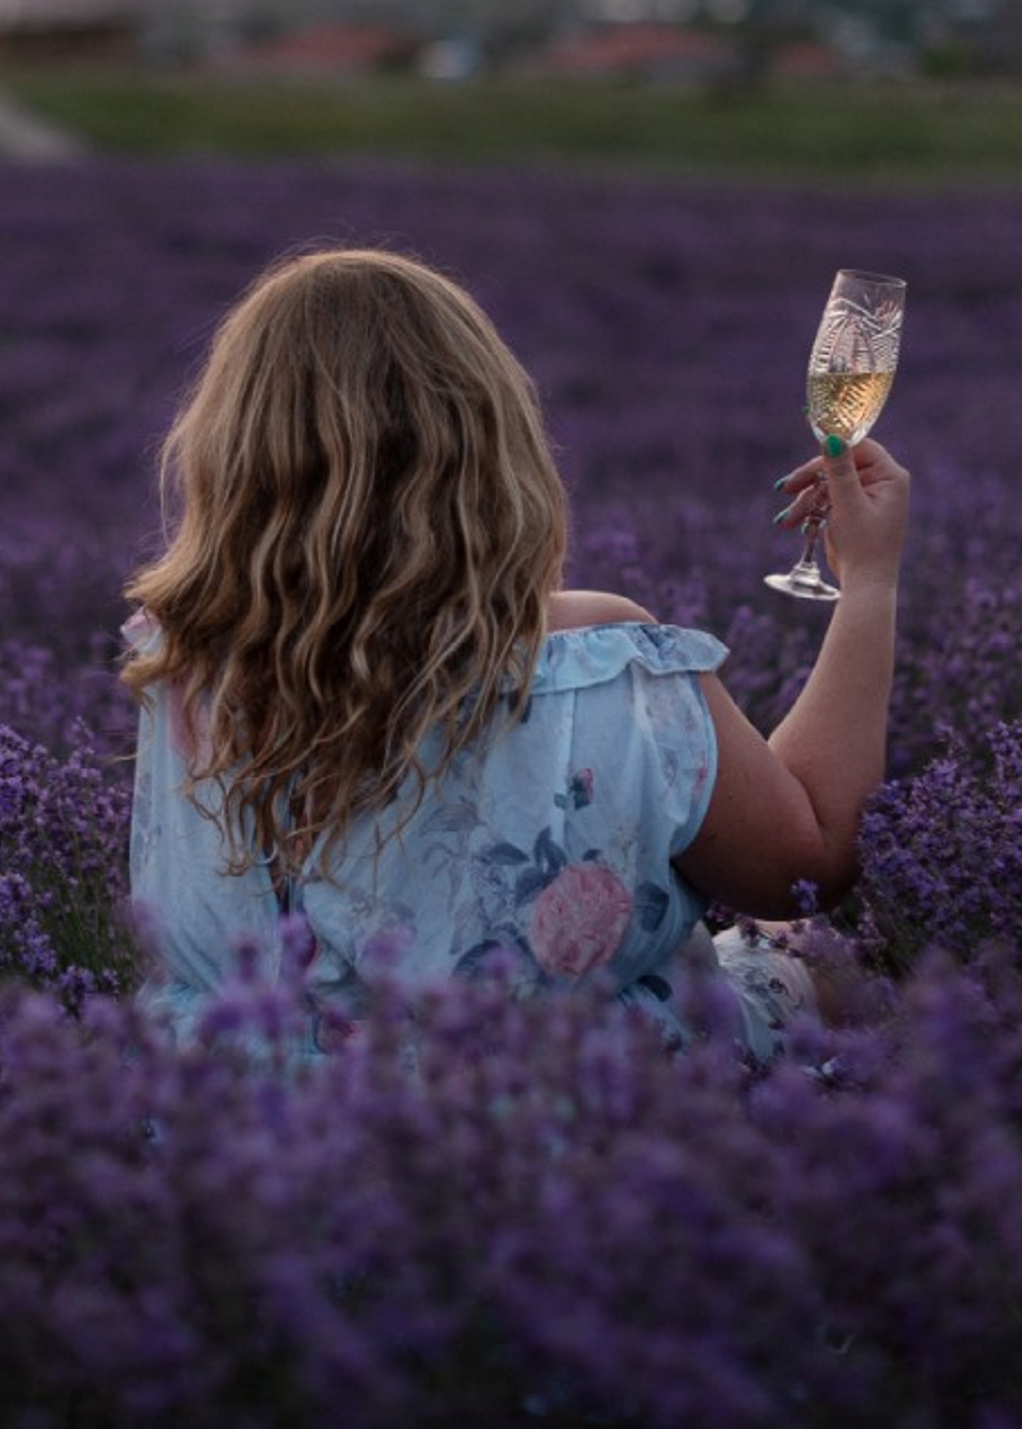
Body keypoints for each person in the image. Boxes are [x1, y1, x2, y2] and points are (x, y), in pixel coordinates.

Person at [123, 247, 909, 1062]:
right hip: (545, 1116)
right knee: (809, 951)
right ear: (489, 441)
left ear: (230, 450)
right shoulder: (598, 661)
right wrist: (872, 584)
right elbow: (807, 862)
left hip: (236, 1126)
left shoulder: (181, 664)